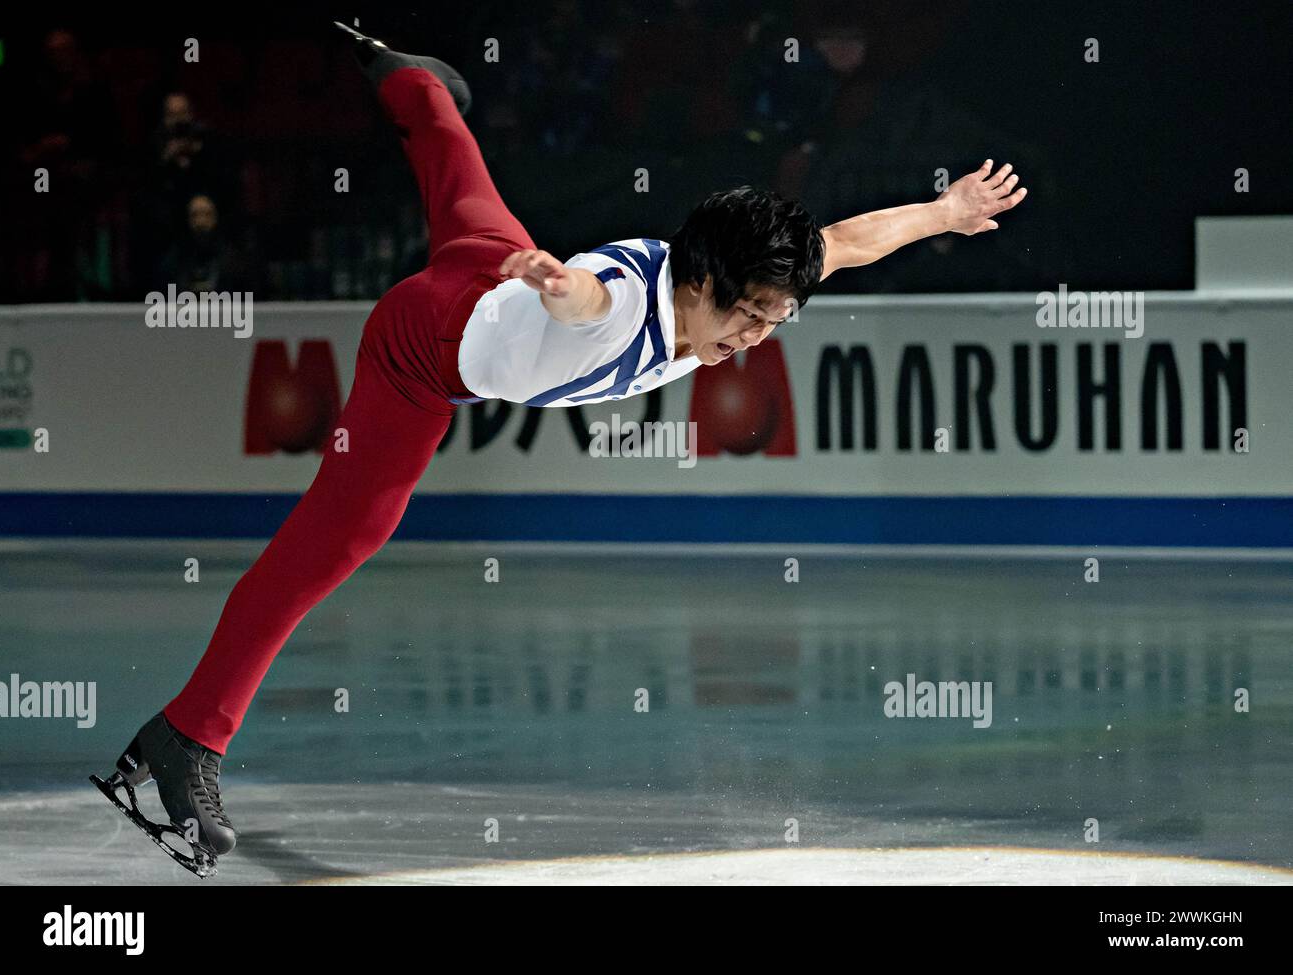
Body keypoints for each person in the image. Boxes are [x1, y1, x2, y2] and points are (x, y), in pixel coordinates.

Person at [91, 23, 1026, 876]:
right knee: (337, 542)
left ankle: (415, 83)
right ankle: (189, 735)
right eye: (743, 314)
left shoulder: (738, 277)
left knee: (459, 174)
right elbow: (590, 297)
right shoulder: (620, 299)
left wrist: (942, 213)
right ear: (698, 277)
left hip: (490, 267)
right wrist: (556, 283)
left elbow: (845, 242)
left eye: (771, 322)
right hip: (424, 349)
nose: (750, 338)